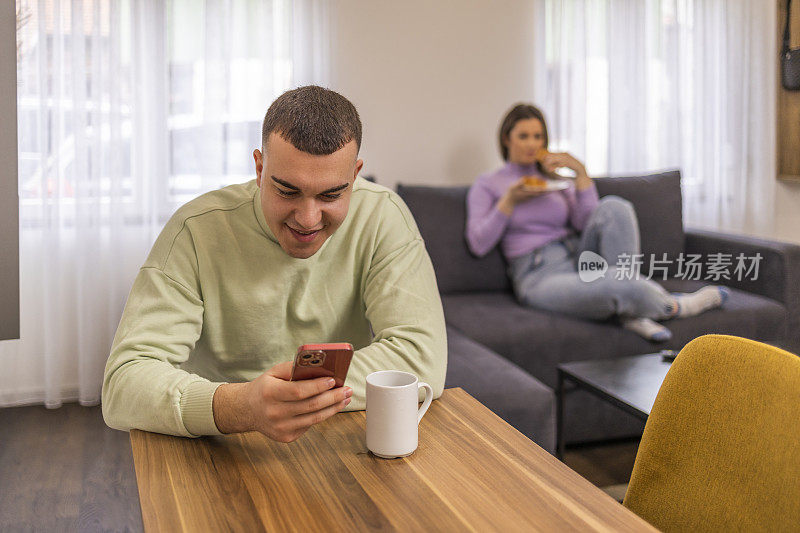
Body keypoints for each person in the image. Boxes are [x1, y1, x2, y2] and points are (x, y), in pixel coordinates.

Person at [102, 86, 447, 441]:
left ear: (355, 175)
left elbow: (423, 361)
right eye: (287, 191)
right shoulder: (196, 229)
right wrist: (242, 405)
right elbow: (123, 384)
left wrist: (293, 398)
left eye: (331, 195)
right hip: (218, 440)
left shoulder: (382, 216)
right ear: (259, 167)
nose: (309, 219)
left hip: (338, 438)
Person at [466, 104, 727, 342]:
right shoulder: (489, 184)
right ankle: (678, 306)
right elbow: (478, 243)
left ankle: (630, 311)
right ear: (506, 138)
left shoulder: (556, 181)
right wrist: (509, 200)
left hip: (578, 256)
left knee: (615, 207)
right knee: (618, 281)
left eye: (538, 136)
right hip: (539, 275)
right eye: (524, 136)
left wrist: (580, 173)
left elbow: (587, 221)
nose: (532, 144)